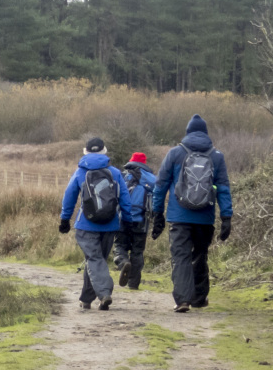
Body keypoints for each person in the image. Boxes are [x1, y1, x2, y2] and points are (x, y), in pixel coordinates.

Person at [151, 114, 232, 313]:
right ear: (206, 133)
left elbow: (160, 186)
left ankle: (183, 300)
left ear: (187, 132)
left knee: (181, 257)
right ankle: (199, 298)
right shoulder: (216, 156)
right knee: (200, 255)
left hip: (179, 217)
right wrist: (226, 217)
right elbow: (222, 188)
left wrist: (157, 212)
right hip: (205, 217)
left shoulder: (175, 153)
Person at [59, 137, 132, 311]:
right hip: (110, 225)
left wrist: (64, 219)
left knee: (94, 259)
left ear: (85, 151)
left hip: (86, 224)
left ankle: (105, 293)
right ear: (104, 151)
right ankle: (86, 299)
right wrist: (128, 220)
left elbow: (69, 197)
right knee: (96, 260)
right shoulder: (114, 173)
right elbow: (125, 199)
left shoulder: (79, 172)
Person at [114, 152, 157, 290]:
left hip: (122, 219)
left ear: (131, 161)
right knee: (137, 252)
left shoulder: (122, 175)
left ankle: (123, 263)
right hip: (142, 220)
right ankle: (133, 284)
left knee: (120, 246)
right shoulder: (152, 179)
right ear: (144, 163)